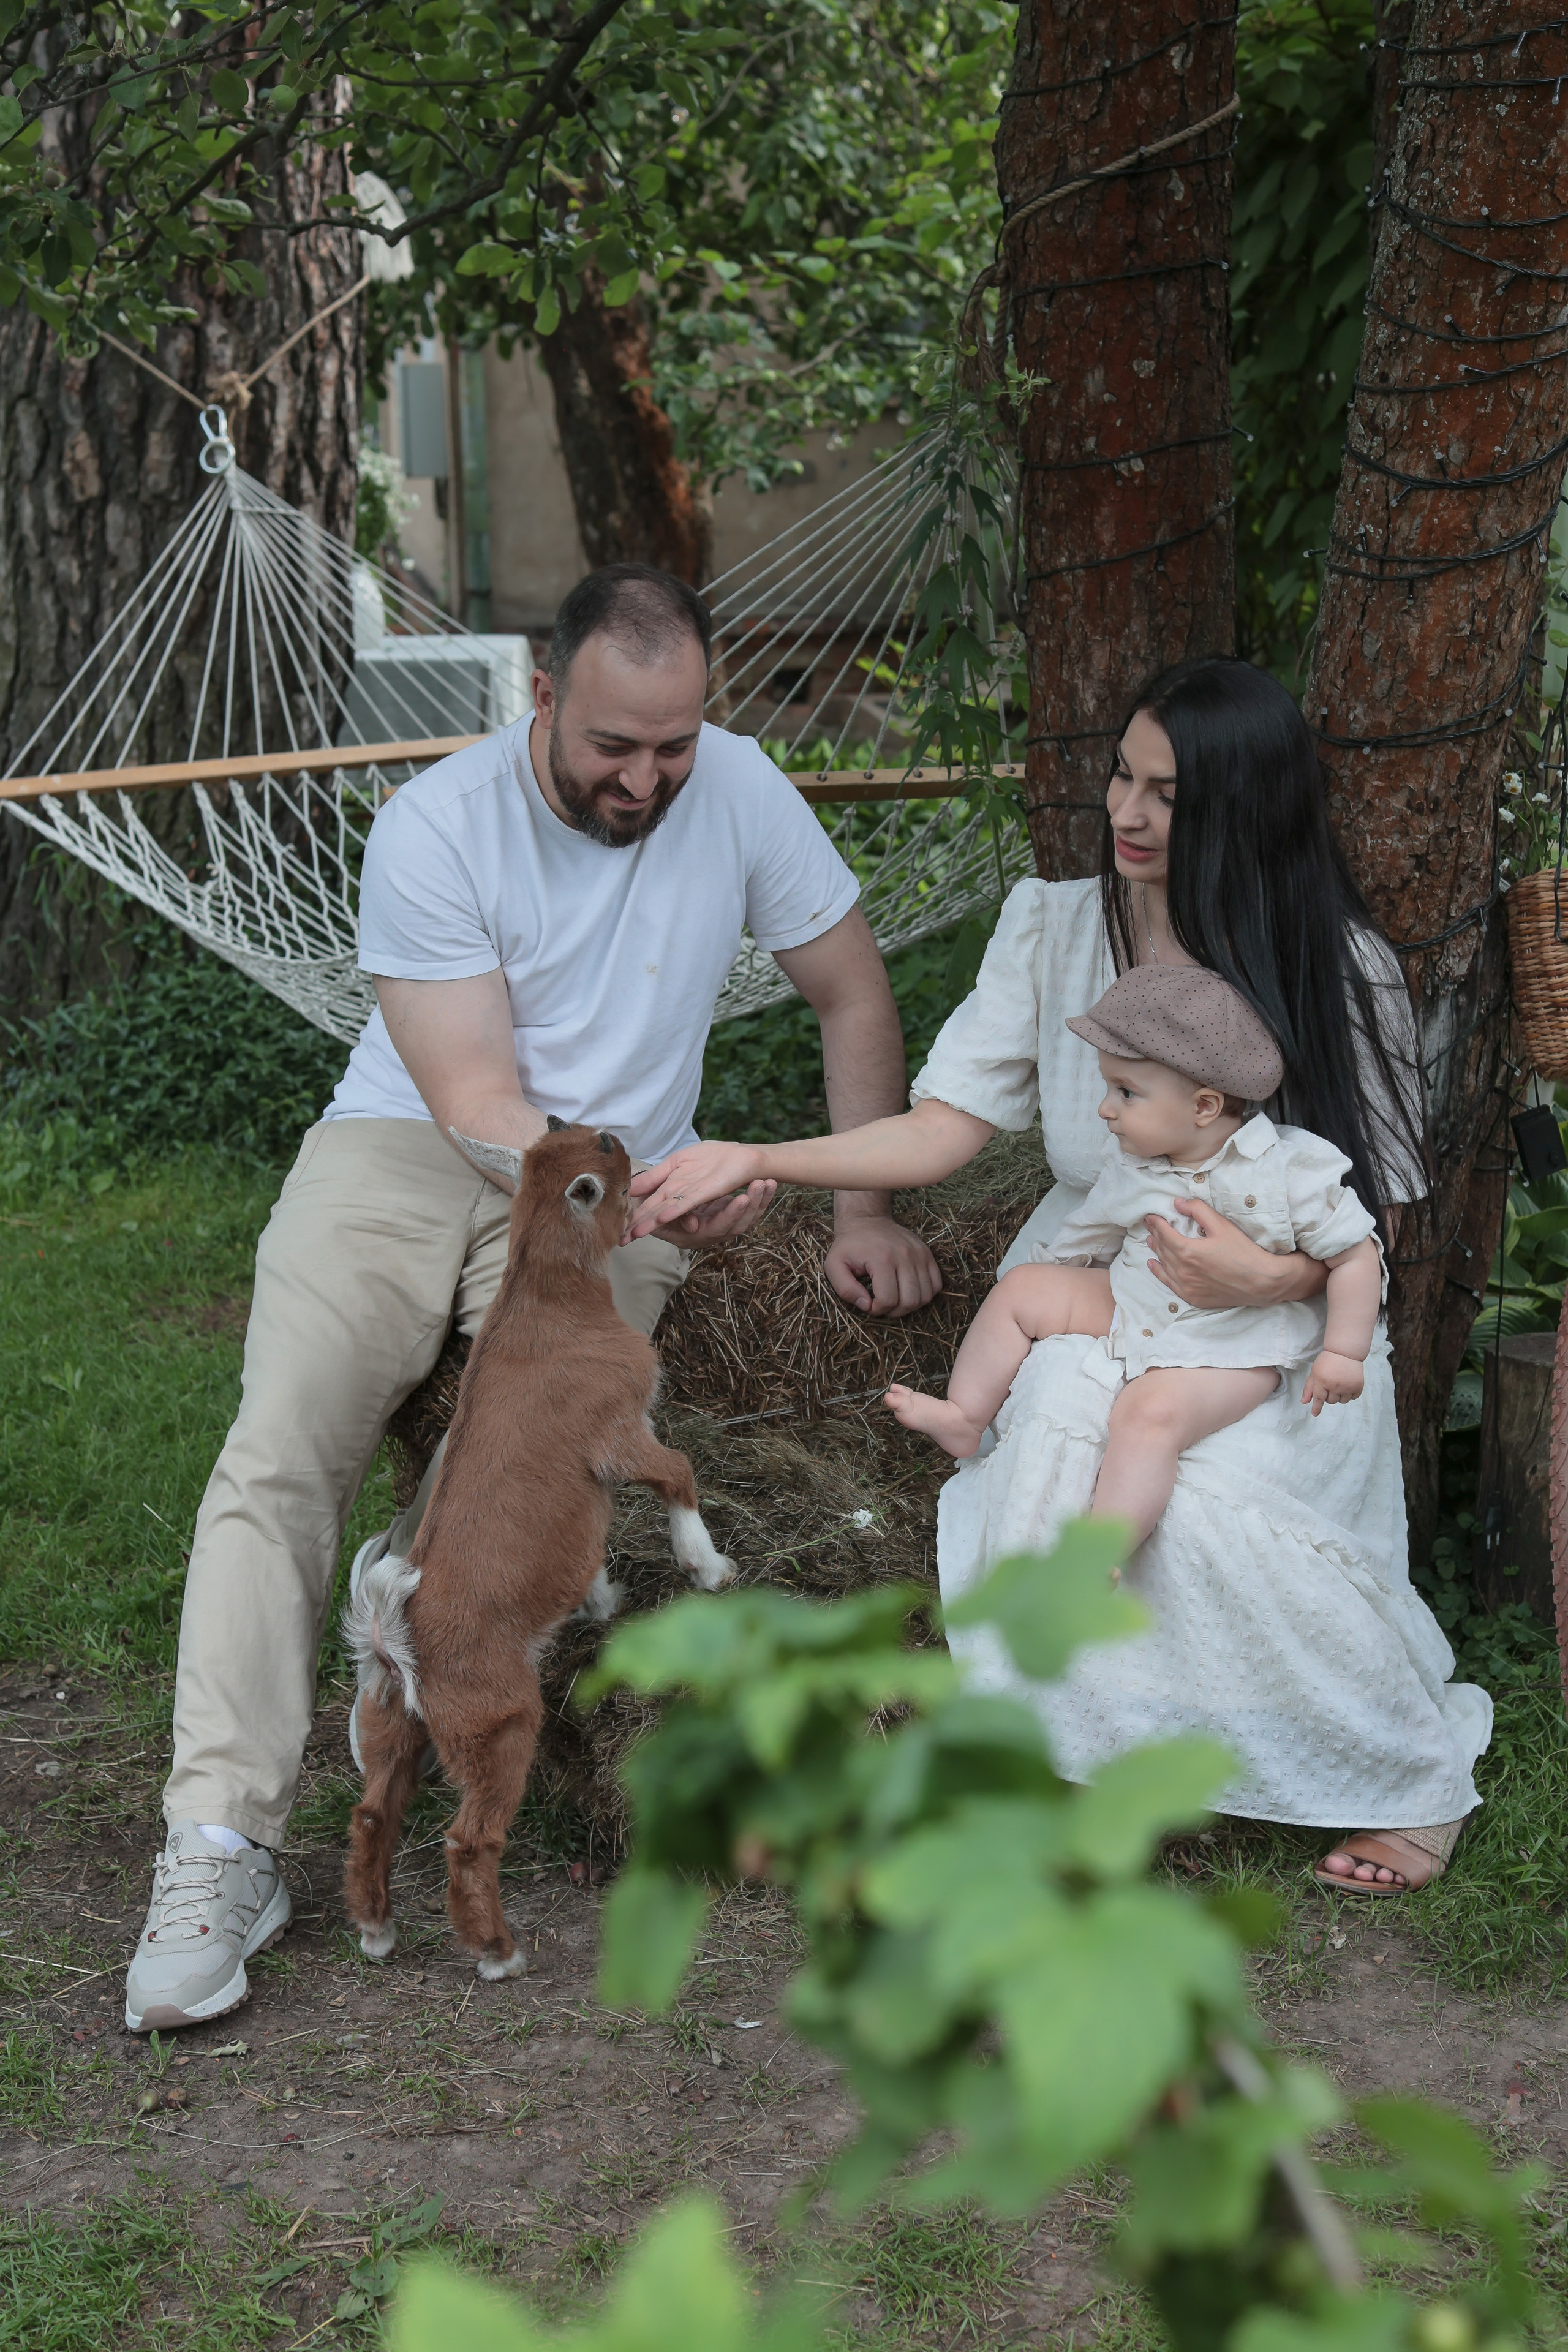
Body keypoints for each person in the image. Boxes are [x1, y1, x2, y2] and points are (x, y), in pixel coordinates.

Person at [124, 562, 941, 2035]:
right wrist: (622, 1192)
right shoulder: (438, 820)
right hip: (419, 1141)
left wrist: (861, 1203)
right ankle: (220, 1842)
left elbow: (853, 994)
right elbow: (472, 1093)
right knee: (284, 1437)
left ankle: (411, 1664)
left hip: (606, 1178)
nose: (647, 779)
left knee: (498, 1471)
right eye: (615, 747)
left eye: (675, 744)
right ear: (543, 697)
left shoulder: (742, 791)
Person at [630, 656, 1493, 1899]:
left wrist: (1260, 1278)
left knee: (1204, 1513)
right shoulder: (1051, 922)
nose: (1127, 817)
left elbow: (1379, 1219)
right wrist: (757, 1153)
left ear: (1242, 814)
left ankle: (1405, 1774)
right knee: (1060, 1441)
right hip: (1103, 1291)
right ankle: (1061, 1762)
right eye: (1119, 778)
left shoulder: (1332, 964)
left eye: (1167, 797)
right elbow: (939, 1131)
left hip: (1281, 1344)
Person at [886, 965, 1386, 1555]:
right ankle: (968, 1417)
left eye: (1125, 1092)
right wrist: (1052, 1275)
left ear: (1204, 1106)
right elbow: (1088, 1232)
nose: (1105, 1109)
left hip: (1232, 1345)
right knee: (1024, 1288)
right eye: (1108, 1089)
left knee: (1148, 1415)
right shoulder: (1135, 1165)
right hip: (1138, 1300)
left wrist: (1343, 1352)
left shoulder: (1290, 1171)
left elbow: (1358, 1255)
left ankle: (1105, 1548)